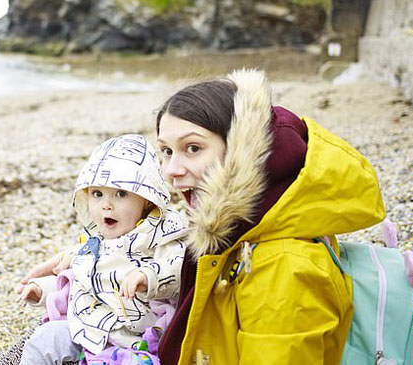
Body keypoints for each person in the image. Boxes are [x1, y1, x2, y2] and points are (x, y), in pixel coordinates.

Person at [152, 68, 385, 364]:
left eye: (193, 148)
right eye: (166, 151)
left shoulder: (283, 266)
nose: (171, 169)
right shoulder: (247, 229)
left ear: (241, 153)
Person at [16, 134, 189, 365]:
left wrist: (148, 276)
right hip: (88, 329)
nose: (106, 205)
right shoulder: (93, 243)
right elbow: (78, 280)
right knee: (43, 340)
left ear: (147, 199)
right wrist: (41, 291)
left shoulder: (160, 234)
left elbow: (180, 266)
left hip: (134, 339)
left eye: (121, 194)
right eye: (97, 194)